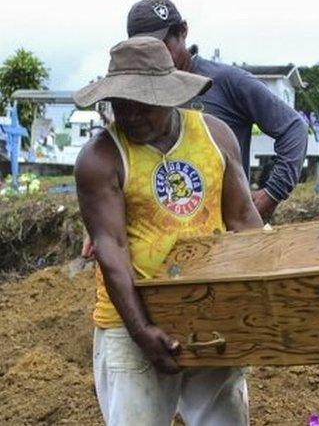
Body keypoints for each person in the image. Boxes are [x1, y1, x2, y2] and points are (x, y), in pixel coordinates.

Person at [74, 36, 264, 425]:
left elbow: (245, 222)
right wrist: (142, 329)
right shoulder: (101, 157)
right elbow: (111, 247)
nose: (130, 115)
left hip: (210, 311)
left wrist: (261, 306)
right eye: (120, 104)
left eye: (142, 103)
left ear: (168, 95)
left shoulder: (215, 137)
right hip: (131, 321)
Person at [126, 0, 308, 221]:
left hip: (225, 228)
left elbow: (294, 128)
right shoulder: (135, 98)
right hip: (160, 231)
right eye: (143, 51)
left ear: (182, 32)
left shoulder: (226, 82)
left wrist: (272, 193)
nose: (153, 58)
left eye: (160, 46)